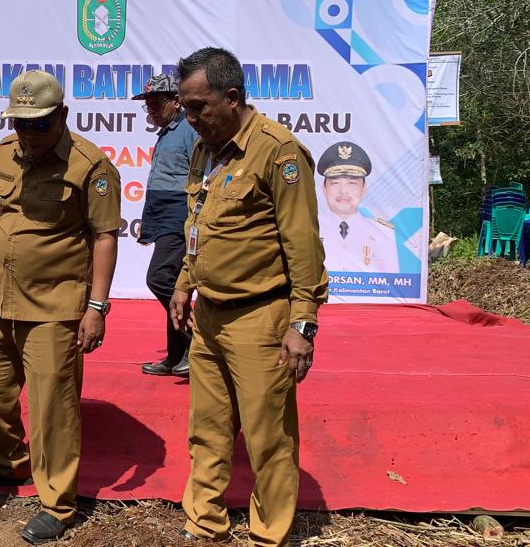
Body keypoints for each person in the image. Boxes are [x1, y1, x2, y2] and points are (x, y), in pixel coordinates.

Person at [167, 48, 328, 546]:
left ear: (231, 97)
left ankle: (268, 535)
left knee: (268, 438)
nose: (189, 118)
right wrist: (184, 283)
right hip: (210, 317)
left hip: (261, 318)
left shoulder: (278, 151)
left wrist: (302, 325)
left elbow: (302, 245)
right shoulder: (205, 147)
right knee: (207, 430)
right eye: (185, 107)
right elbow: (201, 224)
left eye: (198, 107)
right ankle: (204, 522)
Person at [0, 70, 121, 545]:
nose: (28, 135)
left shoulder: (90, 166)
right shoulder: (9, 151)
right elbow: (0, 213)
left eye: (38, 125)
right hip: (3, 298)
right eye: (21, 124)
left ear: (62, 117)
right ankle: (8, 464)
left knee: (54, 408)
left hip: (56, 305)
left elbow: (105, 236)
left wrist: (96, 306)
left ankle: (57, 503)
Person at [132, 73, 199, 378]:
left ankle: (197, 344)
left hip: (179, 211)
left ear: (176, 101)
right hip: (163, 209)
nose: (151, 111)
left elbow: (199, 176)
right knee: (170, 282)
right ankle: (175, 357)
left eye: (156, 104)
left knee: (160, 278)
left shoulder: (189, 129)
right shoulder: (169, 130)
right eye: (148, 106)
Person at [316, 141, 399, 272]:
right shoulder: (309, 230)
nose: (343, 191)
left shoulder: (384, 232)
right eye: (335, 183)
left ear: (363, 188)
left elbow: (394, 282)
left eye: (351, 183)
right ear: (324, 188)